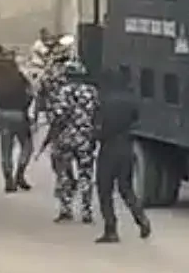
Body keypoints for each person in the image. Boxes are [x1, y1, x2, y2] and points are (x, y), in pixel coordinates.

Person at [94, 68, 151, 243]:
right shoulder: (130, 99)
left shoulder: (104, 101)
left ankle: (111, 229)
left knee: (105, 190)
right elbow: (137, 119)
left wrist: (95, 137)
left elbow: (99, 126)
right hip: (126, 146)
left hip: (109, 148)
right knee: (126, 188)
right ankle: (141, 219)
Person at [46, 60, 98, 223]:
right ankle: (86, 210)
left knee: (64, 175)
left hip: (66, 139)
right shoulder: (92, 91)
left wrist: (52, 136)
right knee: (86, 175)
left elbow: (58, 116)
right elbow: (97, 113)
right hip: (85, 138)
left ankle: (66, 209)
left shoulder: (63, 91)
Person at [0, 49, 33, 192]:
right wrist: (26, 107)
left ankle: (8, 180)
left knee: (6, 149)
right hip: (19, 114)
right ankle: (20, 174)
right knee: (27, 145)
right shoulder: (20, 77)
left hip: (4, 115)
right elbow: (30, 93)